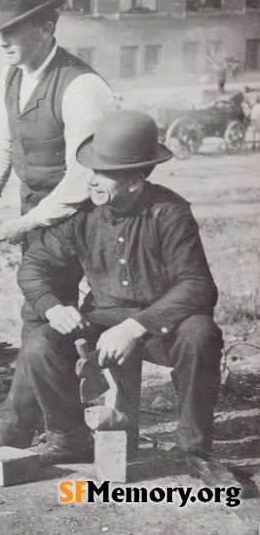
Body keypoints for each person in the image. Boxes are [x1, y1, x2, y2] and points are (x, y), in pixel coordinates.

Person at [17, 110, 236, 487]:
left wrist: (136, 326)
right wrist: (53, 307)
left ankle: (195, 451)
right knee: (40, 345)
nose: (91, 180)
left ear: (136, 180)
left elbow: (198, 286)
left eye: (103, 173)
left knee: (201, 334)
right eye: (91, 170)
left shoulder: (171, 213)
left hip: (160, 328)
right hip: (100, 323)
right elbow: (33, 267)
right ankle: (70, 439)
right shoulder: (82, 215)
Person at [0, 0, 115, 450]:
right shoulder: (13, 76)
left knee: (51, 316)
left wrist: (27, 221)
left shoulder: (81, 86)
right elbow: (0, 145)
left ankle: (34, 425)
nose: (2, 39)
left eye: (13, 28)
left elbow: (86, 176)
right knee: (41, 313)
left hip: (89, 217)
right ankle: (37, 422)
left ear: (46, 26)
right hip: (42, 214)